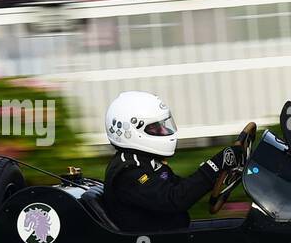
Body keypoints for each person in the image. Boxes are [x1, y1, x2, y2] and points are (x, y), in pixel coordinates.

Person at [102, 91, 245, 232]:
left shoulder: (145, 161)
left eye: (163, 124)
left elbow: (180, 188)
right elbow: (174, 200)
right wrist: (216, 164)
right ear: (130, 130)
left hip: (173, 237)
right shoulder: (129, 172)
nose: (164, 130)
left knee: (242, 226)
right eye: (155, 127)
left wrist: (217, 170)